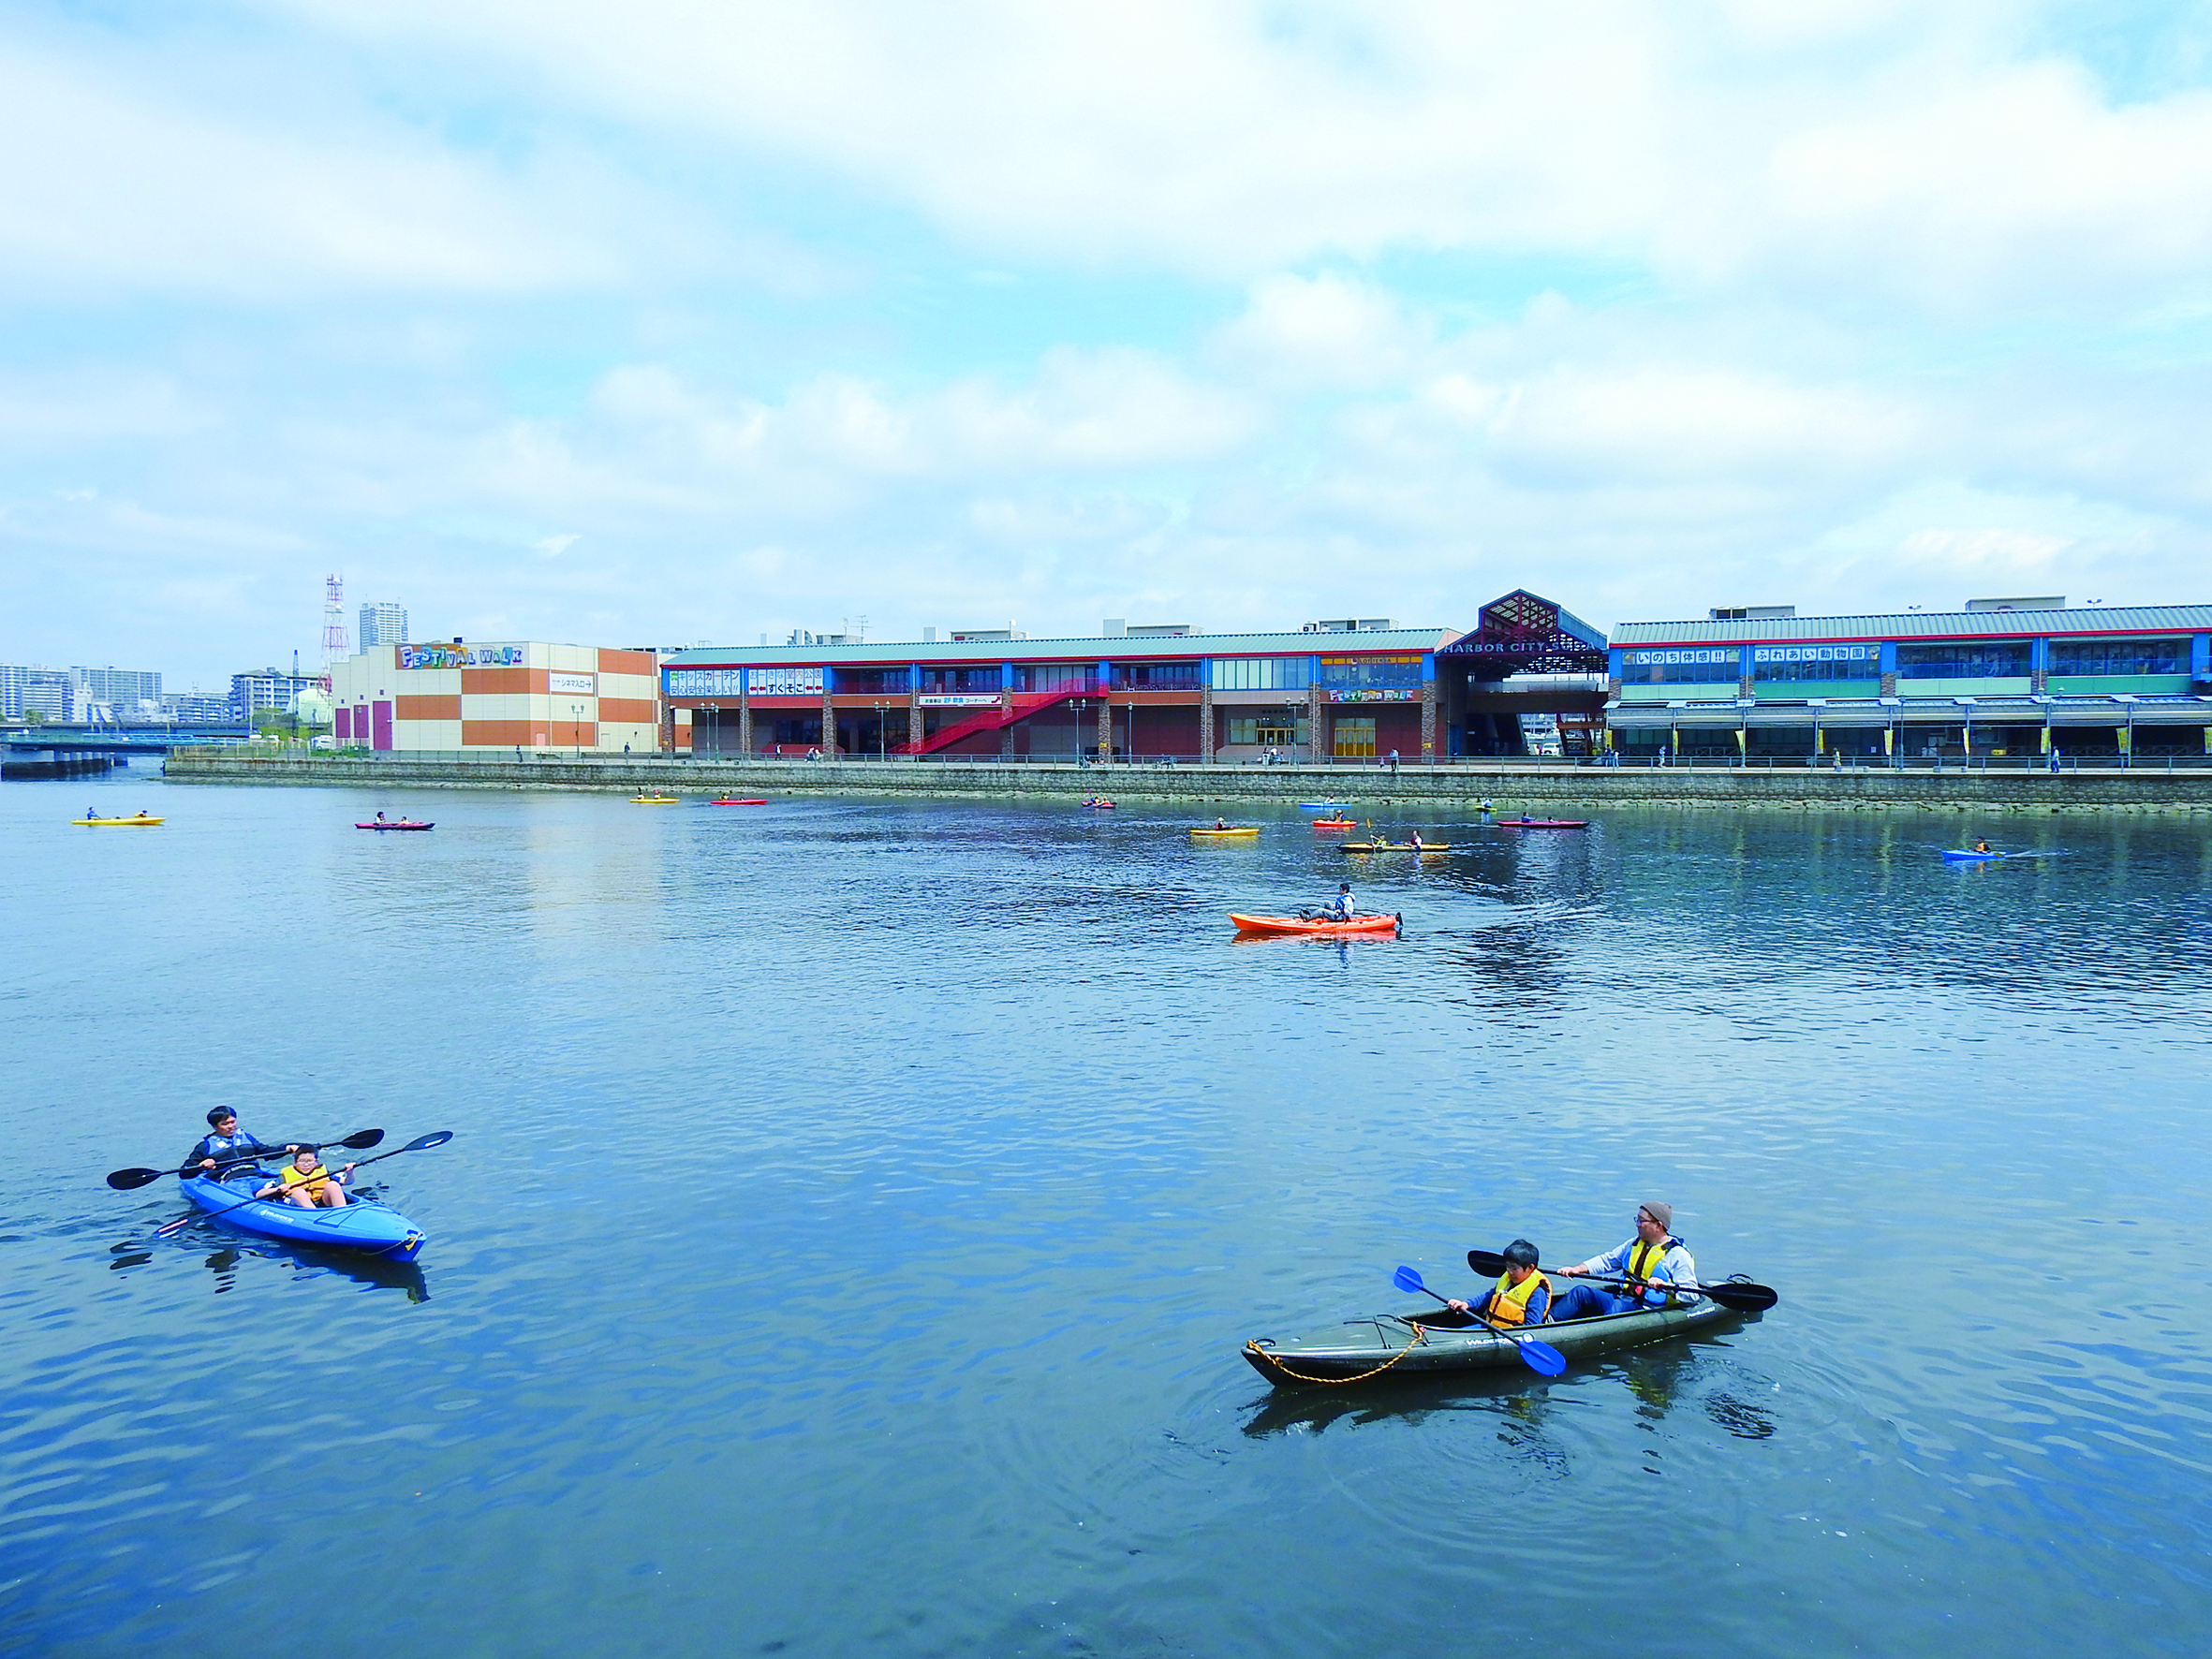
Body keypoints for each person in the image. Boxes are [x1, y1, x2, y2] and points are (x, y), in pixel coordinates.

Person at [1549, 1203, 1700, 1321]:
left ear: (1658, 1226)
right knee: (1581, 1292)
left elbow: (1692, 1294)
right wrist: (1578, 1269)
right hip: (1624, 1298)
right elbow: (1608, 1261)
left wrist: (1667, 1286)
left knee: (1616, 1307)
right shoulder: (1633, 1244)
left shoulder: (1677, 1254)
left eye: (1642, 1221)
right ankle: (1547, 1324)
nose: (1637, 1224)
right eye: (1637, 1219)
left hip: (1648, 1309)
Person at [1448, 1239, 1551, 1326]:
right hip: (1489, 1327)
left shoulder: (1537, 1293)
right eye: (1508, 1266)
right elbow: (1487, 1297)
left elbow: (1533, 1326)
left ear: (1530, 1268)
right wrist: (1466, 1304)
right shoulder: (1508, 1281)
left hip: (1511, 1336)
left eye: (1514, 1268)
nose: (1509, 1271)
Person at [184, 1108, 284, 1178]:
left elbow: (267, 1152)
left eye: (233, 1122)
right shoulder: (205, 1146)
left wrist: (287, 1148)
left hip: (253, 1174)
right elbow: (185, 1173)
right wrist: (201, 1166)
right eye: (225, 1124)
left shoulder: (246, 1137)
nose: (231, 1126)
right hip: (230, 1180)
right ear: (215, 1126)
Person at [258, 1146, 355, 1209]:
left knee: (333, 1184)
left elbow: (348, 1182)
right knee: (298, 1192)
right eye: (302, 1161)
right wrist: (278, 1189)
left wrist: (349, 1173)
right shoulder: (284, 1175)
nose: (306, 1164)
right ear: (295, 1162)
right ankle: (313, 1216)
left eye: (309, 1161)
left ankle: (341, 1211)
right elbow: (259, 1194)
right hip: (301, 1206)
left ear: (316, 1161)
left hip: (322, 1201)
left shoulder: (323, 1171)